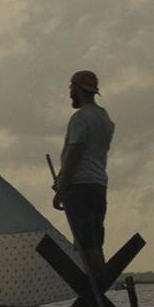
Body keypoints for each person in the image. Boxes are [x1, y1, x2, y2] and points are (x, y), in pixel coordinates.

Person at [52, 70, 115, 275]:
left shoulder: (80, 118)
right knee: (95, 240)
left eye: (71, 88)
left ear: (78, 89)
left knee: (85, 242)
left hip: (79, 185)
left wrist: (61, 187)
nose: (70, 92)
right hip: (99, 185)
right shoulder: (105, 118)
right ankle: (99, 290)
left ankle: (97, 291)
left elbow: (75, 154)